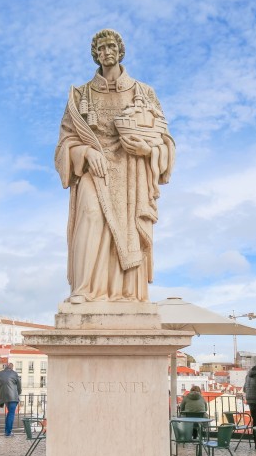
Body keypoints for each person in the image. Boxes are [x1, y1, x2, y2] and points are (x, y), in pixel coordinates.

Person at [55, 29, 175, 303]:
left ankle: (126, 293)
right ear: (95, 55)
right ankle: (84, 290)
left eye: (110, 47)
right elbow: (64, 142)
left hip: (132, 169)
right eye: (100, 48)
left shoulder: (144, 92)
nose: (105, 52)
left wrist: (148, 150)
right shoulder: (80, 94)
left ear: (120, 51)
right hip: (93, 168)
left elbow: (165, 138)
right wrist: (84, 151)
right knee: (90, 217)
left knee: (130, 226)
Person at [0, 363, 23, 437]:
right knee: (11, 414)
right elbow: (19, 385)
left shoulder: (0, 374)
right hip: (13, 397)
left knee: (9, 413)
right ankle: (8, 433)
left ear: (5, 367)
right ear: (12, 368)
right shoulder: (14, 374)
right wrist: (19, 393)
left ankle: (7, 431)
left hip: (4, 397)